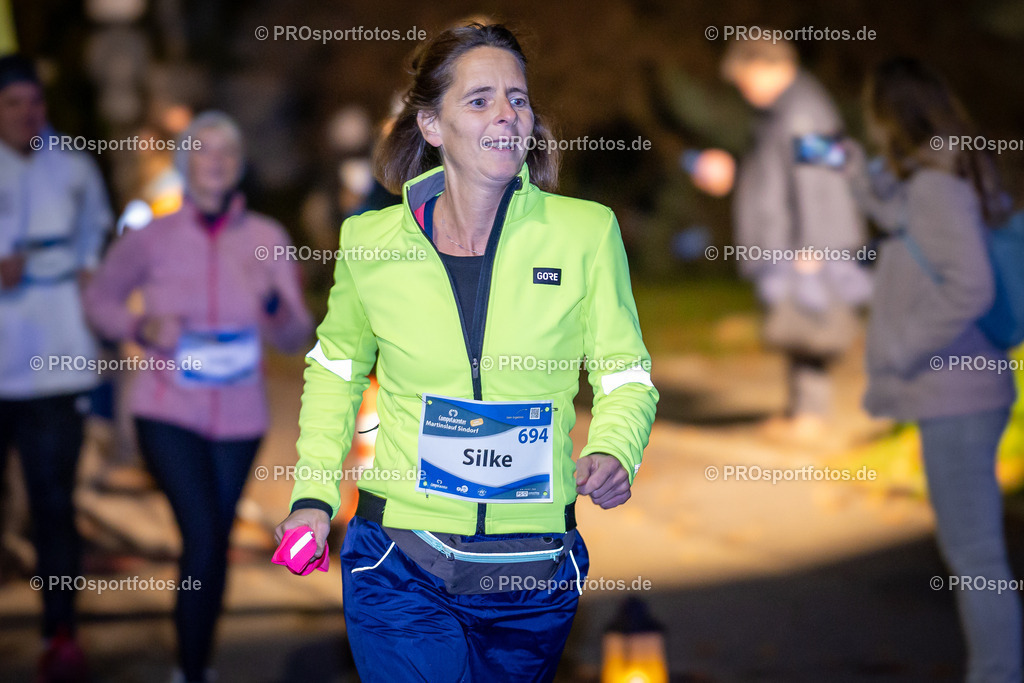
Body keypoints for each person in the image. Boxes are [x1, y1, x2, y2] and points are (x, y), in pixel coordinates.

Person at [275, 23, 658, 682]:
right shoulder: (370, 242)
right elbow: (336, 370)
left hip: (530, 568)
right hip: (401, 556)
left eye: (518, 98)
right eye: (480, 100)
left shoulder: (585, 233)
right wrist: (313, 492)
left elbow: (625, 372)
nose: (507, 113)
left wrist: (616, 448)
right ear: (431, 124)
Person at [84, 111, 313, 683]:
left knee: (210, 543)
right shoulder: (152, 237)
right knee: (205, 534)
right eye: (203, 150)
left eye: (227, 152)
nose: (216, 161)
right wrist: (141, 326)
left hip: (240, 417)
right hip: (167, 409)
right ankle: (190, 669)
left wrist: (273, 305)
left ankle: (197, 663)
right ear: (185, 162)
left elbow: (295, 335)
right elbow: (101, 301)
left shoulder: (267, 238)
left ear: (239, 166)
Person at [854, 57, 1020, 683]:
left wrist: (904, 348)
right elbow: (906, 226)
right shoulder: (962, 172)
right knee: (976, 554)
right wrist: (861, 178)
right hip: (969, 388)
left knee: (976, 558)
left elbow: (969, 284)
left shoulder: (936, 186)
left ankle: (997, 673)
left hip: (956, 392)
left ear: (887, 115)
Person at [0, 53, 113, 682]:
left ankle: (61, 631)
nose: (27, 113)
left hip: (58, 368)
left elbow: (98, 229)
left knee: (54, 503)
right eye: (12, 102)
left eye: (34, 101)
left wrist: (92, 267)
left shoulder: (72, 163)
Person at [719, 38, 867, 443]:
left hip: (806, 243)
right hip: (787, 240)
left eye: (746, 79)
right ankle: (801, 410)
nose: (744, 89)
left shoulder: (804, 111)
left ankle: (812, 416)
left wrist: (814, 242)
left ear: (769, 67)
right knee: (795, 325)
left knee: (811, 324)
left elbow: (823, 180)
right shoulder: (782, 111)